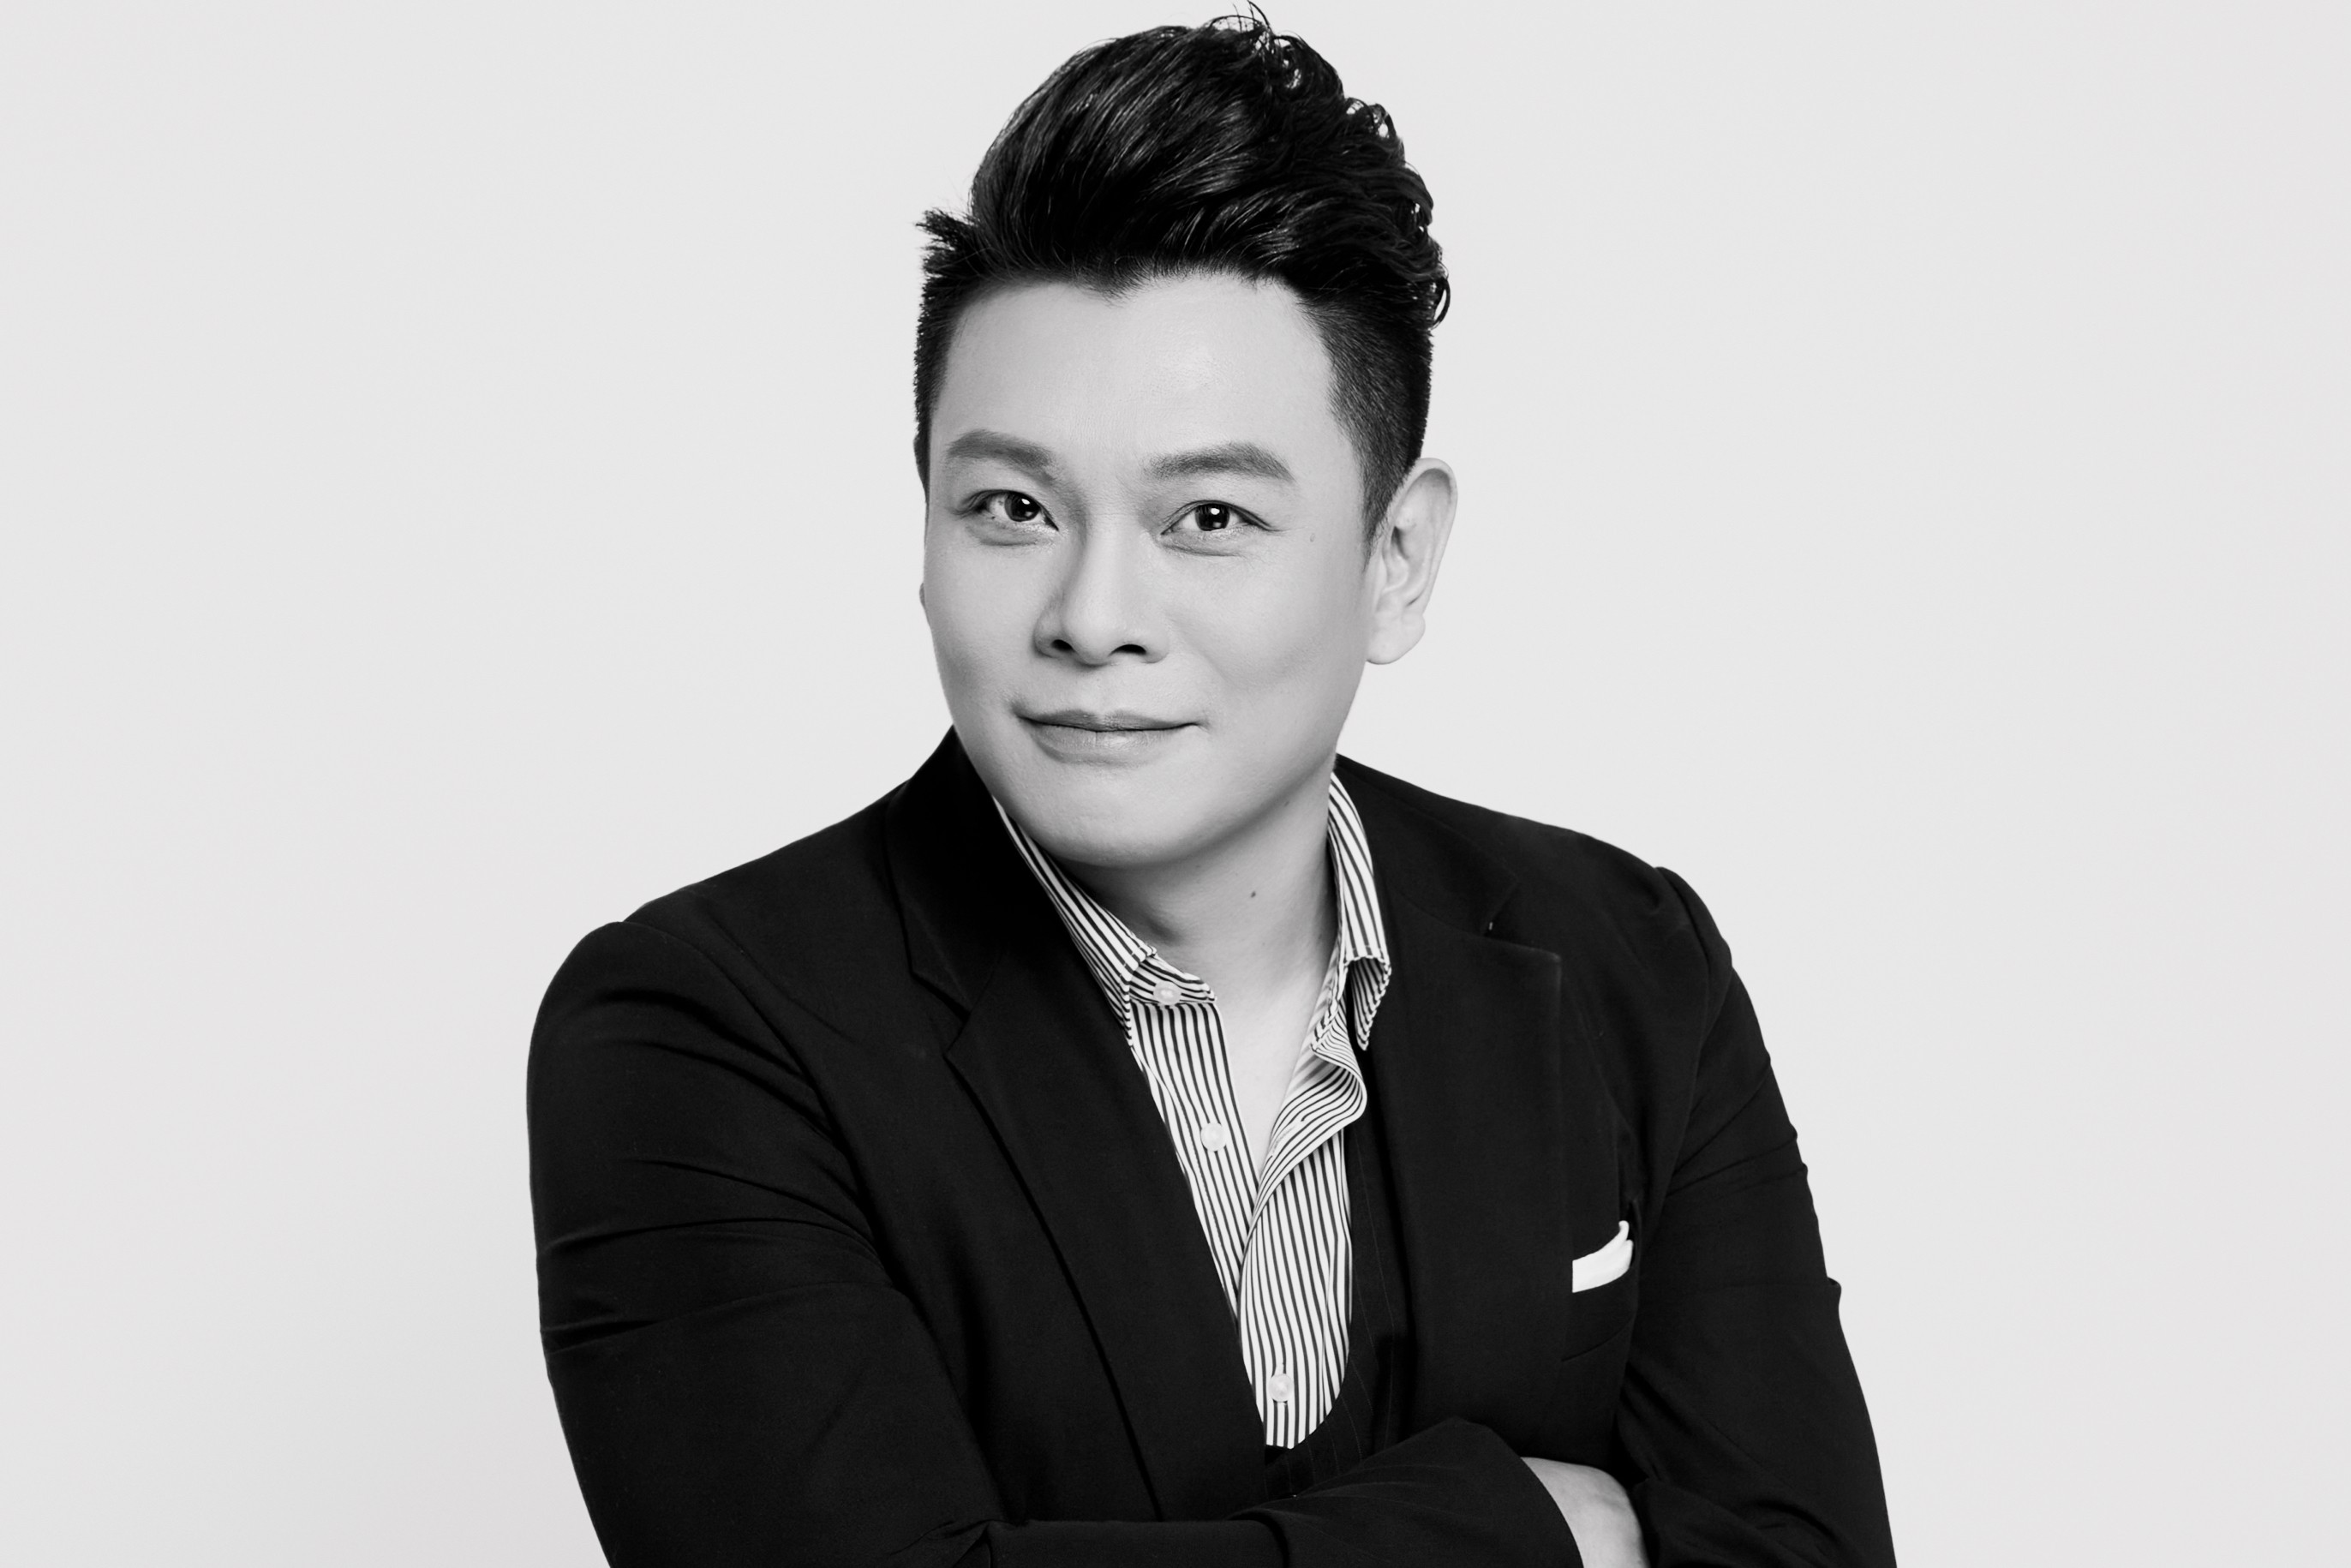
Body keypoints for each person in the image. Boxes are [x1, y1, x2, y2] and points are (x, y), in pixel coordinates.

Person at [528, 15, 1896, 1566]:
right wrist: (1533, 1530)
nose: (1092, 613)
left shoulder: (1630, 961)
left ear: (1396, 560)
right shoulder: (700, 1029)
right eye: (1012, 505)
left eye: (1211, 517)